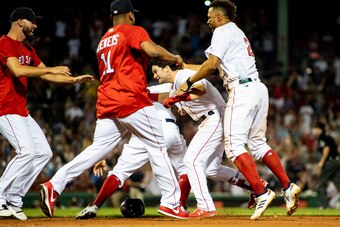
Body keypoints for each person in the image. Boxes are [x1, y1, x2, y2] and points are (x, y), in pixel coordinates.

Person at [39, 0, 188, 219]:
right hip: (131, 100)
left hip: (108, 101)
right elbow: (152, 50)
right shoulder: (133, 31)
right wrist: (174, 58)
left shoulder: (103, 40)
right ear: (130, 15)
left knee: (96, 149)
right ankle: (171, 202)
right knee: (157, 146)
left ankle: (54, 185)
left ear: (111, 17)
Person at [177, 0, 301, 220]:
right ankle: (288, 185)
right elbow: (215, 68)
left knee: (233, 145)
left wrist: (188, 81)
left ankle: (261, 192)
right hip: (257, 88)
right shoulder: (235, 32)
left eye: (210, 15)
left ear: (219, 17)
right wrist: (187, 67)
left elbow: (212, 65)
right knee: (257, 144)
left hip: (241, 90)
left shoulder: (222, 31)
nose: (208, 19)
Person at [75, 81, 260, 219]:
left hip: (144, 131)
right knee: (187, 168)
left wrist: (103, 153)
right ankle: (180, 206)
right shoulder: (167, 85)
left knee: (120, 172)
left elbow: (116, 125)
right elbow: (174, 98)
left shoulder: (131, 93)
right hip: (170, 130)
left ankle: (95, 205)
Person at [0, 7, 94, 220]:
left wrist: (73, 80)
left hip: (20, 110)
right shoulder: (4, 42)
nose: (35, 25)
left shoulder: (27, 49)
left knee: (43, 152)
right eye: (32, 21)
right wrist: (50, 69)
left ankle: (14, 199)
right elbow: (18, 70)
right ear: (19, 21)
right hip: (4, 108)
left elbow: (46, 75)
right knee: (26, 151)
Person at [151, 60, 265, 218]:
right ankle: (254, 184)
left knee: (191, 161)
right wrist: (179, 103)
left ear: (168, 68)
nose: (154, 75)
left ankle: (205, 206)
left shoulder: (184, 75)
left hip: (215, 118)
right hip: (213, 118)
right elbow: (187, 105)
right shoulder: (174, 87)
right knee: (211, 168)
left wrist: (179, 99)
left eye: (156, 70)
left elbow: (200, 89)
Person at [314, 122, 340, 209]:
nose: (315, 131)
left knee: (321, 184)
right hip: (336, 161)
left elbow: (326, 148)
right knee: (338, 182)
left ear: (320, 129)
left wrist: (321, 162)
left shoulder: (323, 137)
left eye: (317, 129)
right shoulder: (329, 137)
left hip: (329, 162)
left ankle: (323, 205)